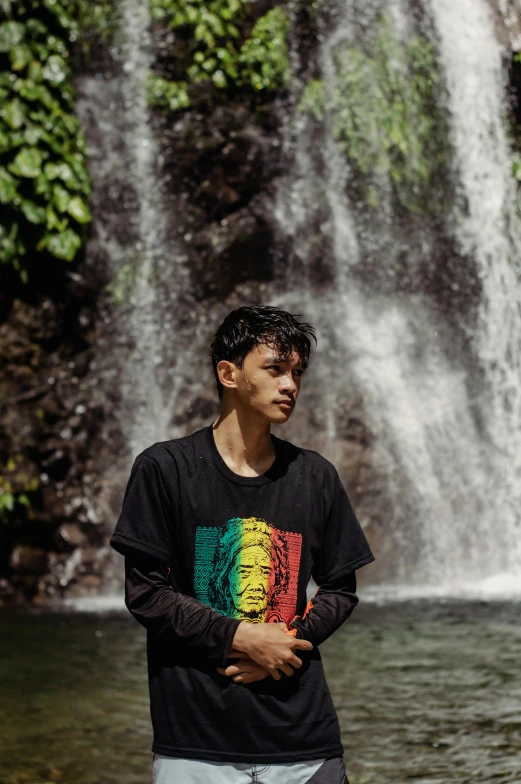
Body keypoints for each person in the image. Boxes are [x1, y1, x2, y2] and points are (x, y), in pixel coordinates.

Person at [110, 304, 375, 784]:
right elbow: (145, 593)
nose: (290, 384)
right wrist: (241, 637)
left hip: (305, 741)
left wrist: (289, 644)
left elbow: (341, 586)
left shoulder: (315, 476)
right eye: (275, 369)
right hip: (196, 744)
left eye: (297, 372)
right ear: (228, 373)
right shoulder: (164, 470)